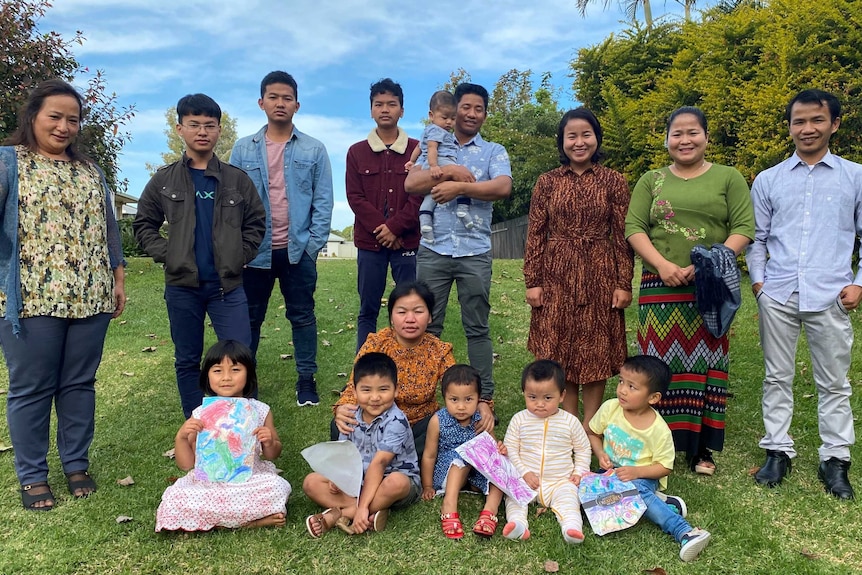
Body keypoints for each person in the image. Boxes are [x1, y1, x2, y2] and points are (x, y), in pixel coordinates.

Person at [0, 79, 125, 511]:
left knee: (79, 384)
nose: (63, 126)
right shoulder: (8, 163)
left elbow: (110, 230)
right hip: (31, 297)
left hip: (90, 295)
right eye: (54, 116)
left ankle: (75, 464)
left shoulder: (91, 170)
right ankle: (33, 475)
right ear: (32, 115)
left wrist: (118, 278)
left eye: (72, 119)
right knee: (32, 387)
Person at [625, 106, 755, 475]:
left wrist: (707, 266)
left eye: (692, 132)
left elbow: (744, 226)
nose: (685, 140)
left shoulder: (728, 178)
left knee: (707, 364)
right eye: (677, 134)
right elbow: (633, 227)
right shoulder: (651, 180)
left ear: (706, 137)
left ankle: (701, 450)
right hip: (659, 286)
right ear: (667, 139)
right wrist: (663, 266)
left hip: (710, 288)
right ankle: (654, 444)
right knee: (657, 367)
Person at [747, 89, 862, 500]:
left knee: (834, 382)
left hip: (831, 294)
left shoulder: (855, 176)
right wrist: (759, 284)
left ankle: (835, 459)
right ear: (790, 126)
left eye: (816, 120)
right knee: (776, 376)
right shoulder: (769, 179)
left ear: (834, 124)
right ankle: (777, 450)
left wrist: (858, 282)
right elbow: (757, 239)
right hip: (777, 293)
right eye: (799, 121)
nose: (807, 128)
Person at [135, 93, 265, 419]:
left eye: (209, 125)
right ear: (180, 129)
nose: (202, 131)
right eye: (194, 125)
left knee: (241, 357)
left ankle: (245, 431)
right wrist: (169, 254)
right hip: (182, 286)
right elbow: (144, 224)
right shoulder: (164, 180)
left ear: (219, 130)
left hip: (228, 286)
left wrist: (240, 255)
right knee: (188, 359)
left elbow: (256, 223)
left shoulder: (237, 179)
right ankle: (198, 429)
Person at [405, 82, 512, 429]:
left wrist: (461, 187)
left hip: (474, 250)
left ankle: (484, 400)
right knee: (426, 325)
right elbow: (411, 184)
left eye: (478, 108)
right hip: (434, 249)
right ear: (451, 111)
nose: (470, 114)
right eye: (465, 107)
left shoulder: (493, 150)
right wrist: (449, 171)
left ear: (484, 113)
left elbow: (503, 187)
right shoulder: (432, 142)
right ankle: (423, 398)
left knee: (477, 327)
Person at [524, 107, 633, 432]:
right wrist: (533, 281)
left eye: (586, 134)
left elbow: (622, 236)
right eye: (572, 135)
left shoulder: (613, 181)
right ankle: (569, 421)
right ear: (562, 142)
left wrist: (623, 282)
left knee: (596, 346)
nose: (579, 142)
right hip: (556, 273)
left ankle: (591, 424)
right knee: (562, 348)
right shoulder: (547, 182)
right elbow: (535, 233)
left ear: (596, 138)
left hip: (600, 271)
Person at [230, 71, 334, 407]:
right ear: (261, 103)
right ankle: (245, 383)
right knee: (249, 319)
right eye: (273, 97)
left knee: (302, 316)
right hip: (253, 252)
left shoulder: (314, 149)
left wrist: (312, 247)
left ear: (297, 105)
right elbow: (231, 201)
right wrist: (239, 247)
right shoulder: (243, 149)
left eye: (286, 98)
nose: (280, 103)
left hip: (297, 252)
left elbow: (323, 201)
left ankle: (306, 380)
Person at [156, 340, 291, 531]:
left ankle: (217, 522)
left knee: (277, 487)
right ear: (207, 377)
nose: (226, 377)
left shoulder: (259, 410)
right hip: (208, 484)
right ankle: (247, 521)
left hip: (248, 480)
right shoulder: (201, 413)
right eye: (217, 371)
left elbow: (273, 454)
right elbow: (187, 465)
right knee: (174, 497)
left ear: (249, 374)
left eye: (235, 370)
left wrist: (269, 441)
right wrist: (181, 438)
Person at [588, 355, 712, 562]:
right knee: (591, 503)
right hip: (610, 474)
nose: (622, 390)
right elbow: (593, 433)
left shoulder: (658, 430)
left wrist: (636, 472)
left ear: (653, 398)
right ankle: (666, 504)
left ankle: (685, 531)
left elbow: (664, 467)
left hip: (642, 477)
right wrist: (600, 453)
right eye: (621, 382)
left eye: (632, 387)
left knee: (634, 492)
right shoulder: (610, 408)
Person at [332, 280, 458, 456]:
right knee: (343, 421)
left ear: (429, 316)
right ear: (391, 316)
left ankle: (392, 462)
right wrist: (342, 407)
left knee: (447, 424)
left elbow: (458, 388)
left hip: (419, 429)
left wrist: (482, 404)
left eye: (418, 311)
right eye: (402, 312)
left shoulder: (439, 350)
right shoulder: (376, 343)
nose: (410, 319)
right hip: (377, 422)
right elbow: (354, 383)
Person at [304, 352, 421, 536]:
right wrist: (337, 478)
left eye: (383, 389)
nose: (374, 397)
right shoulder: (350, 416)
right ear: (355, 391)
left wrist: (362, 507)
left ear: (396, 390)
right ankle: (375, 511)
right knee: (311, 482)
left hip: (394, 481)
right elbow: (343, 455)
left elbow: (379, 464)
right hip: (358, 481)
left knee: (396, 483)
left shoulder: (396, 420)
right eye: (366, 390)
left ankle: (339, 514)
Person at [346, 78, 421, 352]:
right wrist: (383, 229)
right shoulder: (356, 152)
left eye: (392, 104)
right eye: (379, 104)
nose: (385, 109)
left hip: (407, 243)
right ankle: (364, 371)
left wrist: (397, 228)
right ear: (371, 110)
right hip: (370, 244)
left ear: (402, 110)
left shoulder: (417, 149)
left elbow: (419, 195)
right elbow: (355, 197)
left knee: (409, 308)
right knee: (368, 309)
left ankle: (409, 367)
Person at [502, 360, 591, 544]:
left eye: (548, 398)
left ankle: (571, 528)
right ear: (524, 394)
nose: (540, 404)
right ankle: (517, 524)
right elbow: (511, 449)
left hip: (560, 481)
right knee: (513, 495)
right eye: (532, 397)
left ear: (562, 395)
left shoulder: (570, 422)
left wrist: (579, 472)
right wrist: (524, 472)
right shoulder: (519, 420)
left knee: (569, 499)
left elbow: (583, 448)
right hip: (526, 479)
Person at [421, 364, 505, 539]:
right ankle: (449, 505)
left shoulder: (481, 419)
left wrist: (500, 449)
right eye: (454, 400)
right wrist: (428, 485)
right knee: (464, 454)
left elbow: (491, 449)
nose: (461, 407)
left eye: (468, 400)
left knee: (499, 463)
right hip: (448, 471)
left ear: (478, 398)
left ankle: (489, 511)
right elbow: (429, 455)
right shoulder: (438, 421)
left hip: (475, 475)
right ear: (444, 398)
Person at [408, 90, 474, 242]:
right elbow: (432, 148)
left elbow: (419, 147)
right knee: (464, 179)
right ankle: (463, 209)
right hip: (441, 161)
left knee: (431, 195)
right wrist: (434, 166)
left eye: (452, 118)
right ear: (431, 116)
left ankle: (425, 224)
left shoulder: (427, 131)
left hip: (428, 165)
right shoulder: (438, 131)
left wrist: (412, 161)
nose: (449, 122)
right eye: (444, 118)